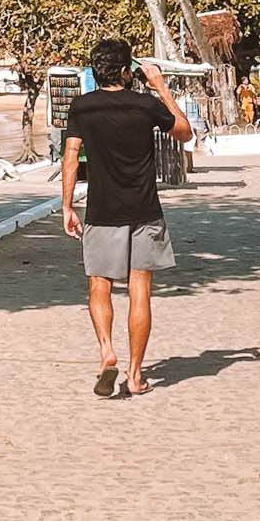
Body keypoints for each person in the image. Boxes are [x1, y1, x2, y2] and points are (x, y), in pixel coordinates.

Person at [61, 38, 193, 399]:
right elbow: (184, 132)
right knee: (140, 291)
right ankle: (135, 376)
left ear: (95, 71)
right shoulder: (145, 105)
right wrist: (161, 87)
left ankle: (106, 352)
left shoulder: (82, 107)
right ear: (125, 70)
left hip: (101, 212)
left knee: (98, 287)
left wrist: (67, 206)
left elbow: (71, 156)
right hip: (144, 210)